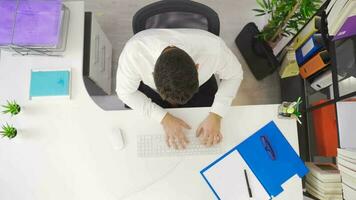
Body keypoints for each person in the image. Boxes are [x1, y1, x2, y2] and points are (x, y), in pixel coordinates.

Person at [116, 29, 243, 149]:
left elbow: (235, 74)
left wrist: (217, 114)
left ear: (197, 67)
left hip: (199, 89)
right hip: (154, 92)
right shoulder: (134, 53)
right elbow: (125, 93)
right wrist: (163, 117)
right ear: (153, 74)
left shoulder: (215, 50)